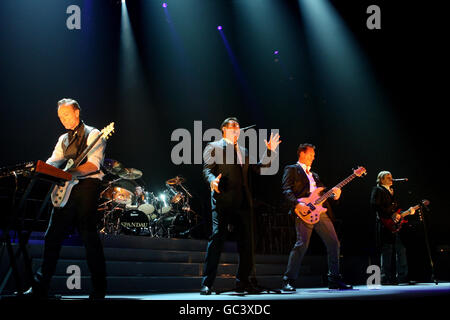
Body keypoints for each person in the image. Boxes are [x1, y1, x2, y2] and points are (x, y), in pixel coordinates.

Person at [24, 98, 107, 299]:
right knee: (52, 235)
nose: (63, 120)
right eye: (60, 117)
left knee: (88, 235)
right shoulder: (63, 139)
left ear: (77, 112)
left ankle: (99, 289)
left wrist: (70, 173)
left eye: (67, 115)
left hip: (88, 185)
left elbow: (93, 165)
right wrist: (41, 167)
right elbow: (53, 161)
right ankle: (39, 288)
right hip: (67, 188)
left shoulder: (95, 134)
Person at [200, 117, 281, 295]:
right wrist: (213, 181)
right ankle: (207, 283)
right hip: (222, 200)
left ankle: (242, 281)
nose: (237, 130)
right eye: (233, 127)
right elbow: (206, 170)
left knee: (247, 243)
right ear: (224, 130)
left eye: (238, 128)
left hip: (243, 202)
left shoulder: (243, 150)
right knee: (217, 239)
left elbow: (259, 168)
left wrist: (270, 151)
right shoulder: (213, 147)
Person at [281, 143, 352, 291]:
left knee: (334, 243)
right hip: (303, 211)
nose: (313, 157)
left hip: (320, 212)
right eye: (311, 154)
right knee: (302, 244)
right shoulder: (292, 169)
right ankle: (288, 280)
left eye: (314, 155)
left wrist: (335, 195)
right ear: (302, 153)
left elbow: (324, 193)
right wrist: (296, 204)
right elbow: (286, 189)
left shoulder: (315, 175)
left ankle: (334, 279)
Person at [370, 171, 415, 285]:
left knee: (401, 250)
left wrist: (406, 212)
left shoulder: (392, 191)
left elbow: (396, 209)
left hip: (394, 225)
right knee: (387, 251)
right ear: (381, 180)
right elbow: (375, 205)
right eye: (388, 177)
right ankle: (385, 278)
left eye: (391, 177)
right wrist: (391, 213)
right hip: (385, 224)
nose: (391, 179)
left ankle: (402, 277)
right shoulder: (378, 189)